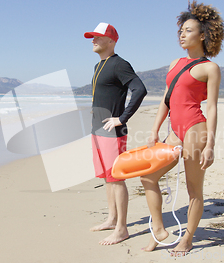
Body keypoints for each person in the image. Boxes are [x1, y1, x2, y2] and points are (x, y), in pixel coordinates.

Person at [139, 1, 224, 255]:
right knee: (148, 177)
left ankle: (187, 239)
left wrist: (210, 145)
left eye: (188, 30)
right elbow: (166, 100)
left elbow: (211, 108)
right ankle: (159, 229)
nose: (182, 35)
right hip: (174, 130)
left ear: (203, 35)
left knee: (193, 189)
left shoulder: (210, 68)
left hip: (195, 129)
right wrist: (155, 130)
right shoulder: (174, 63)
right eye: (181, 31)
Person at [84, 22, 147, 245]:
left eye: (98, 37)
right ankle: (112, 219)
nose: (93, 40)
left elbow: (140, 89)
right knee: (108, 179)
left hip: (113, 132)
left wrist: (122, 117)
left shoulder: (119, 64)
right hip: (97, 130)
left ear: (111, 40)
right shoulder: (98, 66)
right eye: (92, 37)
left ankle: (122, 229)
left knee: (117, 178)